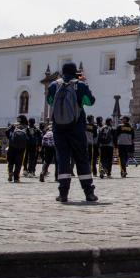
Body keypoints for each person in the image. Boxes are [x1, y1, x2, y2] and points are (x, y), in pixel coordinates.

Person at [46, 62, 97, 203]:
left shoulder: (53, 85)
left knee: (62, 159)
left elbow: (50, 101)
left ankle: (63, 194)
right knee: (81, 158)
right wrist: (83, 85)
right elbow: (90, 101)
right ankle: (89, 193)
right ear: (75, 72)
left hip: (58, 128)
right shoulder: (79, 85)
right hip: (76, 126)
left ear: (62, 72)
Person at [6, 115, 31, 182]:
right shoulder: (26, 127)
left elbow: (7, 131)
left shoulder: (13, 125)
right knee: (19, 162)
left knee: (11, 160)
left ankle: (10, 172)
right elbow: (29, 136)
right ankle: (16, 178)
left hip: (12, 145)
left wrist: (10, 139)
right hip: (21, 147)